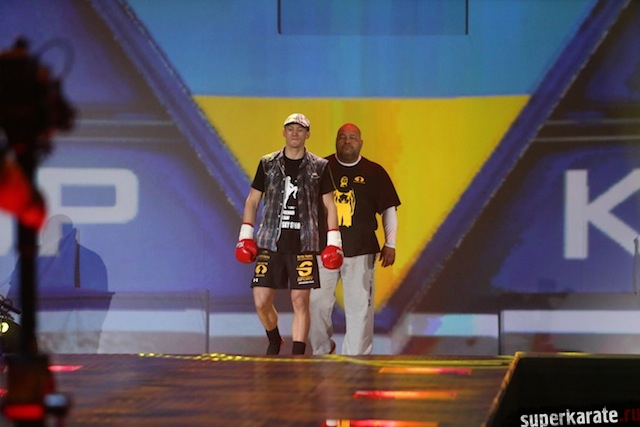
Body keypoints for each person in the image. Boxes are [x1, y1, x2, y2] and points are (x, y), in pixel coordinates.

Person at [235, 113, 344, 355]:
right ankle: (274, 339)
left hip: (303, 244)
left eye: (300, 129)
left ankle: (297, 356)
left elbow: (330, 205)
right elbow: (252, 200)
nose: (295, 133)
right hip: (270, 242)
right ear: (284, 132)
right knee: (261, 300)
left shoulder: (319, 166)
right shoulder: (267, 163)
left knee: (300, 301)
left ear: (308, 134)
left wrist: (333, 242)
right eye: (291, 128)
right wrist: (245, 235)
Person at [309, 123, 400, 355]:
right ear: (336, 141)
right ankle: (321, 352)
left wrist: (390, 243)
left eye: (352, 137)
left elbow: (389, 209)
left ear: (361, 143)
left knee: (360, 309)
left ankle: (356, 360)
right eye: (342, 137)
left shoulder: (374, 172)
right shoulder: (320, 168)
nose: (347, 141)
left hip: (361, 250)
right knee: (316, 303)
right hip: (323, 250)